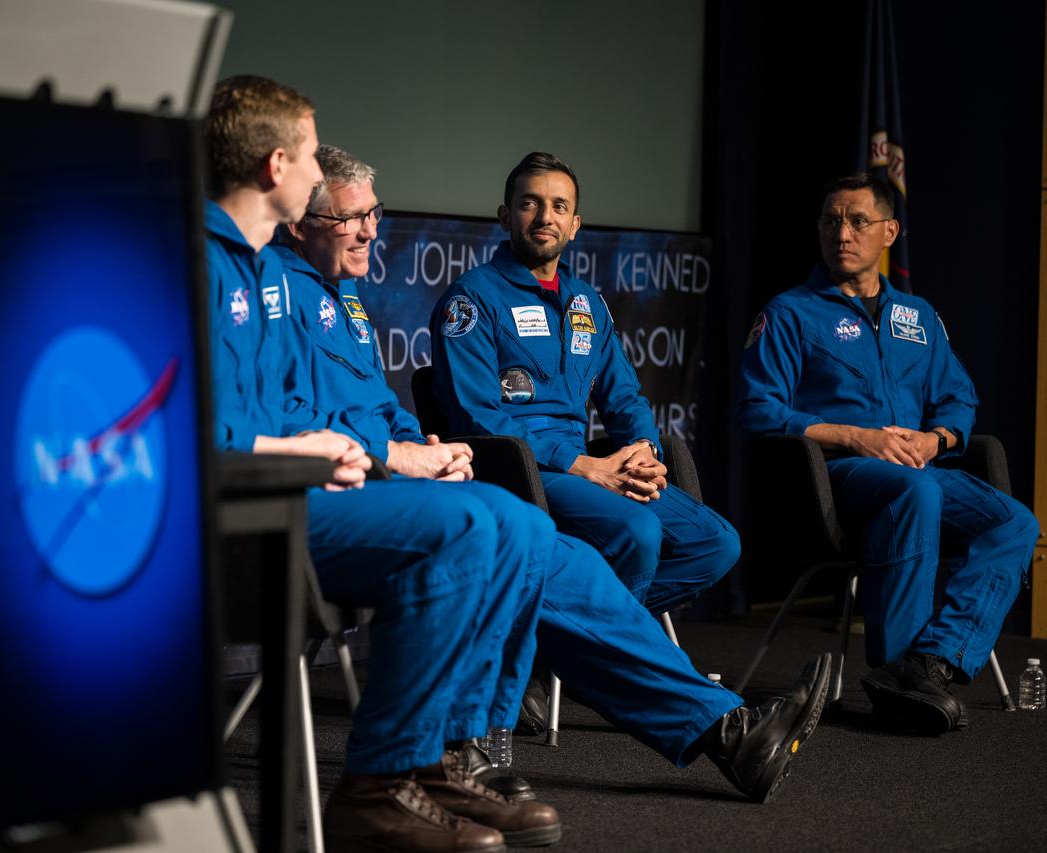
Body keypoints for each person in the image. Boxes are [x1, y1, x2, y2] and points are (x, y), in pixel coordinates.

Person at [273, 143, 832, 812]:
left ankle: (721, 730)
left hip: (410, 477)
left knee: (583, 552)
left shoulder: (349, 293)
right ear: (293, 220)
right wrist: (398, 452)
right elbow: (284, 418)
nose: (369, 230)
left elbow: (374, 400)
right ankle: (477, 745)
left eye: (373, 214)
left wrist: (411, 437)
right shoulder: (276, 289)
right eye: (348, 218)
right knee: (556, 536)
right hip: (378, 488)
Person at [204, 76, 561, 852]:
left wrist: (343, 447)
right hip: (241, 516)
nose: (318, 173)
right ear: (275, 167)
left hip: (297, 490)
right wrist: (294, 448)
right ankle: (377, 781)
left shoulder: (261, 265)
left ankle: (437, 762)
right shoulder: (199, 263)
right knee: (470, 522)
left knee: (521, 524)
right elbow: (186, 426)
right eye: (308, 154)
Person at [736, 173, 1040, 735]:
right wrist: (856, 436)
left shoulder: (918, 317)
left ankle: (926, 665)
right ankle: (899, 670)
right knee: (915, 489)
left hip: (917, 468)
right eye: (831, 221)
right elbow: (759, 410)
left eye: (857, 221)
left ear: (889, 232)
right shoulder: (790, 313)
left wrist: (937, 439)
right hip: (836, 478)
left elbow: (957, 398)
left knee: (1015, 521)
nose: (841, 234)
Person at [428, 152, 740, 616]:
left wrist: (643, 451)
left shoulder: (586, 303)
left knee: (715, 543)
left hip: (587, 469)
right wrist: (580, 465)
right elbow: (476, 417)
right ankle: (611, 663)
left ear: (574, 225)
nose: (544, 217)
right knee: (637, 531)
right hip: (520, 470)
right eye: (530, 204)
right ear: (505, 216)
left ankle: (560, 628)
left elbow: (624, 395)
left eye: (558, 206)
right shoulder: (472, 298)